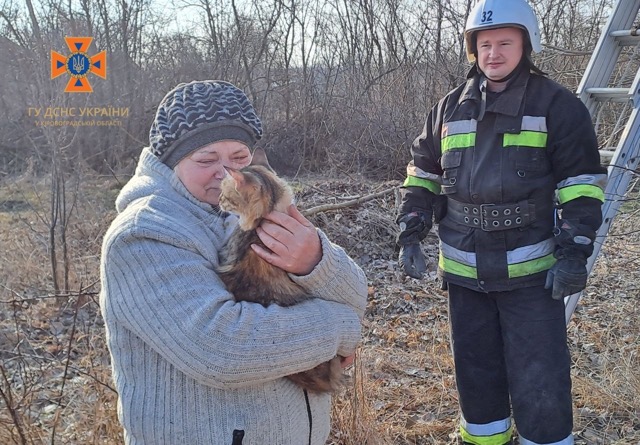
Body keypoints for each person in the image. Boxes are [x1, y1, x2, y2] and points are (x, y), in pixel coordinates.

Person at [99, 80, 368, 445]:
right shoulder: (144, 234)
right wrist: (339, 330)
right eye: (206, 159)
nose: (226, 175)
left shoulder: (249, 203)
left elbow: (356, 296)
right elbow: (222, 350)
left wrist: (315, 260)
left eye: (239, 158)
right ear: (171, 159)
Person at [395, 1, 608, 444]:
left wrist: (574, 252)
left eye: (505, 43)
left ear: (526, 45)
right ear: (473, 49)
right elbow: (423, 176)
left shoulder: (558, 106)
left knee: (540, 376)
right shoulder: (447, 110)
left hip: (532, 277)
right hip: (464, 275)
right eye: (485, 44)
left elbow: (581, 186)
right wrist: (411, 231)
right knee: (476, 372)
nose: (494, 53)